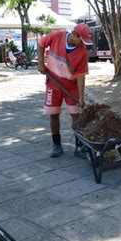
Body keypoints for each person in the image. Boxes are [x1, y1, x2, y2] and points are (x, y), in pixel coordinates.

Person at [37, 24, 92, 157]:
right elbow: (41, 44)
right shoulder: (57, 36)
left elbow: (80, 76)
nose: (82, 44)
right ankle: (56, 144)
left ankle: (79, 146)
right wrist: (40, 63)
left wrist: (81, 97)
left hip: (71, 86)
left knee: (76, 116)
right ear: (74, 35)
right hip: (53, 83)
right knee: (54, 114)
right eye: (81, 40)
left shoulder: (82, 52)